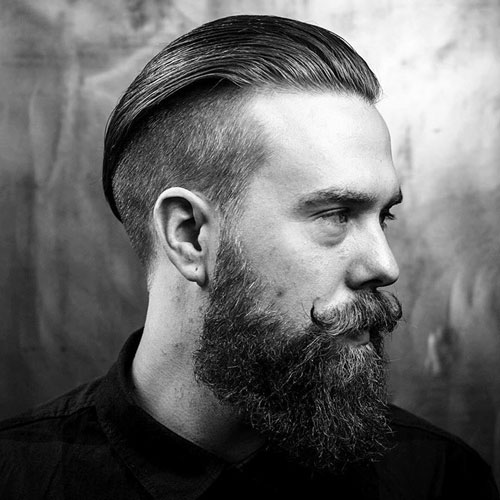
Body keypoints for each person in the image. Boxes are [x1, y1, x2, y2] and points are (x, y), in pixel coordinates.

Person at [0, 14, 498, 500]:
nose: (386, 267)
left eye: (383, 216)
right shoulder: (20, 478)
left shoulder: (436, 478)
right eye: (336, 215)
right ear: (189, 236)